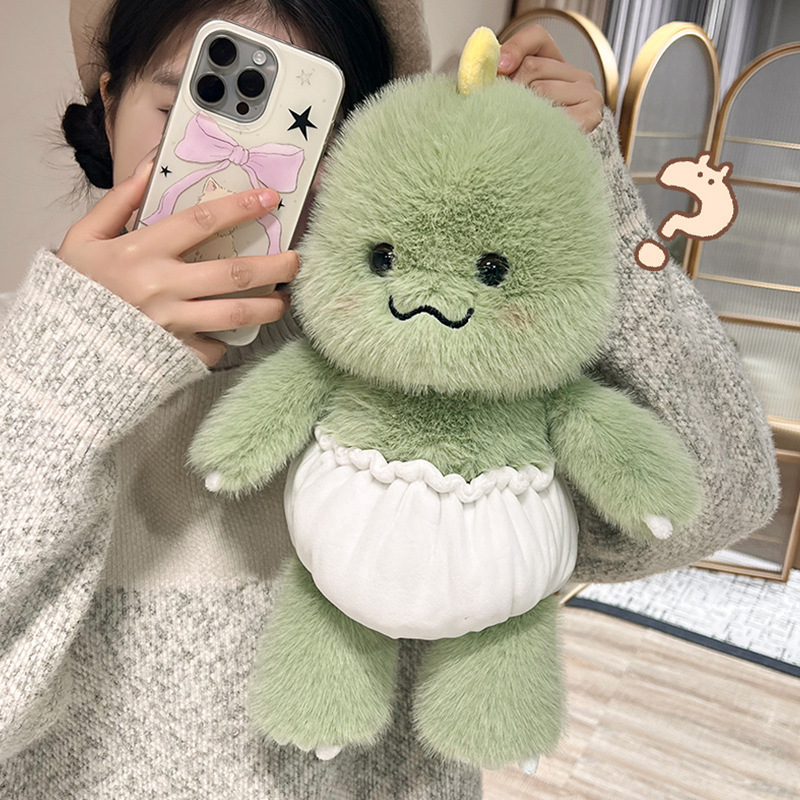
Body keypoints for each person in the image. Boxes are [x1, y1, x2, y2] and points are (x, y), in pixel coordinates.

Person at [0, 0, 779, 796]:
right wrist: (73, 362)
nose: (243, 180)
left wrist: (587, 201)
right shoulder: (22, 371)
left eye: (302, 129)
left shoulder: (411, 365)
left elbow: (719, 500)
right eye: (189, 110)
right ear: (108, 104)